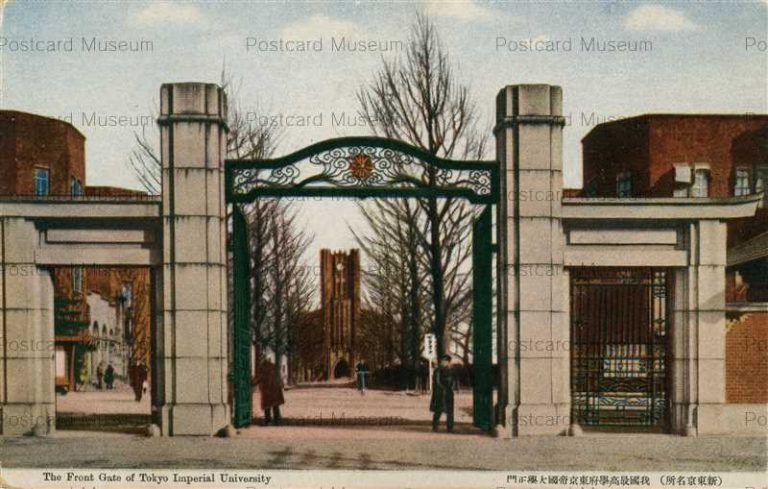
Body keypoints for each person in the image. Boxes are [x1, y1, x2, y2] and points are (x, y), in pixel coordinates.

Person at [253, 355, 284, 425]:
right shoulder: (274, 366)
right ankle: (277, 420)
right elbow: (279, 377)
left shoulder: (263, 367)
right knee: (275, 405)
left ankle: (268, 420)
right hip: (276, 389)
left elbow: (260, 377)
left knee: (267, 406)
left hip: (267, 389)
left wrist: (252, 383)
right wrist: (281, 385)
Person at [430, 354, 455, 433]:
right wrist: (444, 388)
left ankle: (450, 428)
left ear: (448, 362)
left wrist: (451, 387)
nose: (444, 362)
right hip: (440, 393)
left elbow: (453, 381)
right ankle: (435, 426)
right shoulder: (438, 370)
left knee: (450, 411)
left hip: (448, 392)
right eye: (443, 361)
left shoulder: (451, 370)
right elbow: (437, 382)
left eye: (446, 361)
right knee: (439, 410)